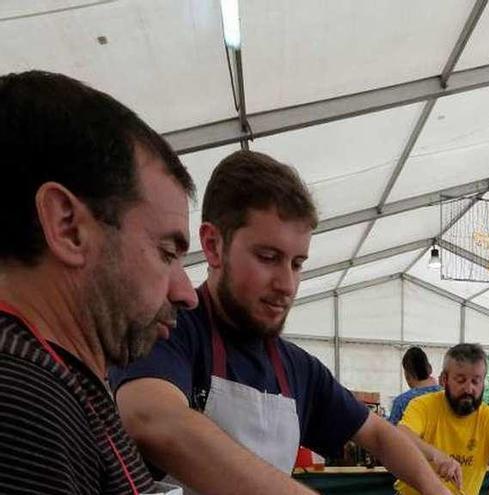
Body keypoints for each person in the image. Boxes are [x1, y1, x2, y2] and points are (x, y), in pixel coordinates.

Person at [110, 150, 450, 495]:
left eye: (297, 263)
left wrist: (433, 487)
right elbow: (152, 418)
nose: (287, 284)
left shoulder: (299, 369)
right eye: (268, 258)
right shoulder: (168, 330)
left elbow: (378, 434)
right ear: (213, 246)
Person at [0, 70, 198, 494]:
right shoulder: (25, 406)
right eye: (166, 252)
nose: (186, 293)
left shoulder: (59, 384)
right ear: (68, 227)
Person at [395, 344, 489, 495]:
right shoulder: (422, 405)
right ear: (444, 379)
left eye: (476, 381)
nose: (469, 389)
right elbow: (401, 435)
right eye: (460, 380)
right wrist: (435, 455)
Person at [389, 346, 442, 425]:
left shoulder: (402, 402)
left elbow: (392, 434)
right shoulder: (445, 395)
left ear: (407, 374)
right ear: (429, 368)